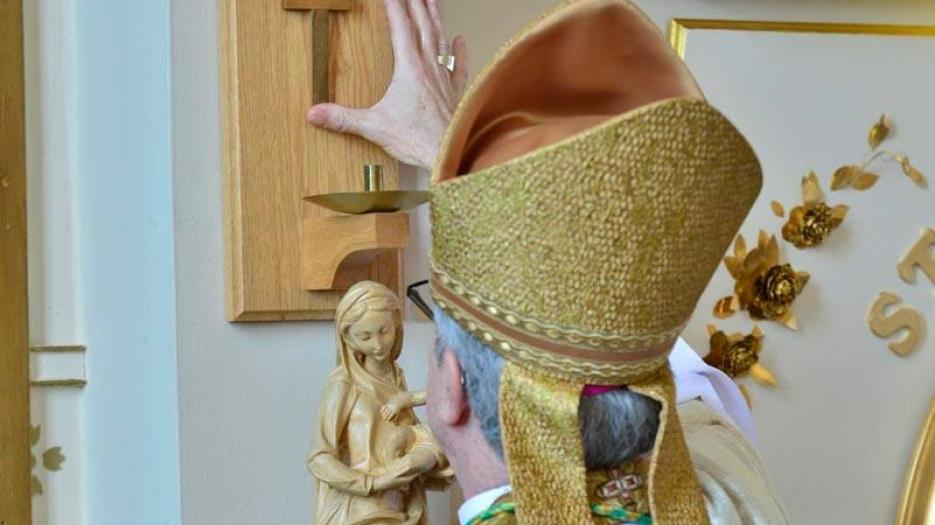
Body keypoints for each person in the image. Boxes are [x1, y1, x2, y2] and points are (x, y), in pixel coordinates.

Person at [308, 1, 788, 523]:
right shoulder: (726, 486)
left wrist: (463, 170)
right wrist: (467, 180)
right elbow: (644, 357)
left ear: (452, 387)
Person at [307, 281, 451, 525]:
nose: (378, 345)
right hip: (363, 512)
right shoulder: (344, 383)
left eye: (385, 331)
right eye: (365, 336)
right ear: (348, 339)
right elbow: (319, 457)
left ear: (396, 323)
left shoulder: (396, 378)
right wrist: (371, 483)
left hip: (401, 508)